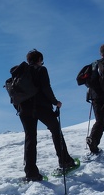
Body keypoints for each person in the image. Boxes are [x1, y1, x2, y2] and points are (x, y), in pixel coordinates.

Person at [17, 49, 77, 181]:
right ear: (39, 60)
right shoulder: (41, 70)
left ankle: (31, 173)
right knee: (56, 131)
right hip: (41, 107)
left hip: (24, 110)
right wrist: (55, 102)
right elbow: (46, 87)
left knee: (30, 139)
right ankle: (65, 161)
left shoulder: (21, 72)